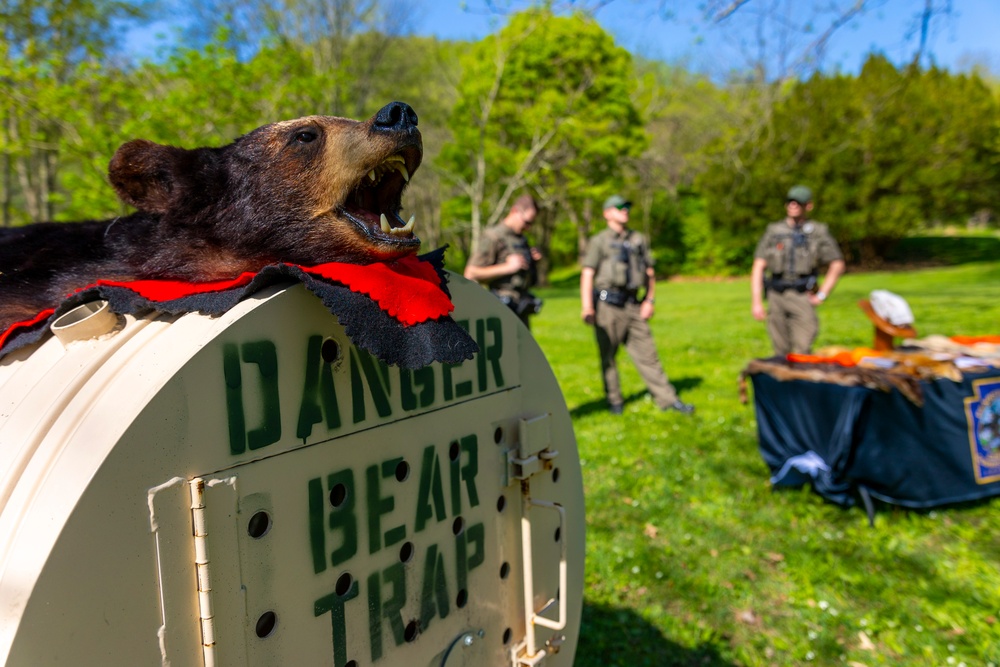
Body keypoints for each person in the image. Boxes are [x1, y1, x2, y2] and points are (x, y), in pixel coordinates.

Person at [580, 195, 694, 415]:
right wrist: (588, 307)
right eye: (620, 207)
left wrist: (649, 299)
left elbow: (649, 271)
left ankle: (668, 400)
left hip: (634, 304)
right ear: (607, 213)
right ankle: (615, 402)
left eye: (628, 207)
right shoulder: (599, 241)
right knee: (608, 357)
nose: (625, 211)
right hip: (607, 306)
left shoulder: (638, 239)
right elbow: (587, 273)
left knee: (649, 355)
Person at [750, 185, 846, 357]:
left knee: (803, 349)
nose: (793, 206)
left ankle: (802, 382)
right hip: (776, 295)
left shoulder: (818, 232)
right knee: (780, 351)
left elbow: (837, 264)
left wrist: (822, 294)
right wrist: (756, 301)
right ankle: (782, 383)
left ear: (808, 206)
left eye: (798, 202)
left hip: (802, 295)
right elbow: (758, 265)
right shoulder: (774, 231)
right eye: (790, 202)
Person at [464, 194, 544, 329]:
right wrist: (507, 267)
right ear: (514, 211)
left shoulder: (521, 239)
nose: (528, 228)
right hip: (501, 311)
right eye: (527, 222)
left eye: (531, 224)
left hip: (521, 310)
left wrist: (533, 260)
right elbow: (470, 273)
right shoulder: (493, 236)